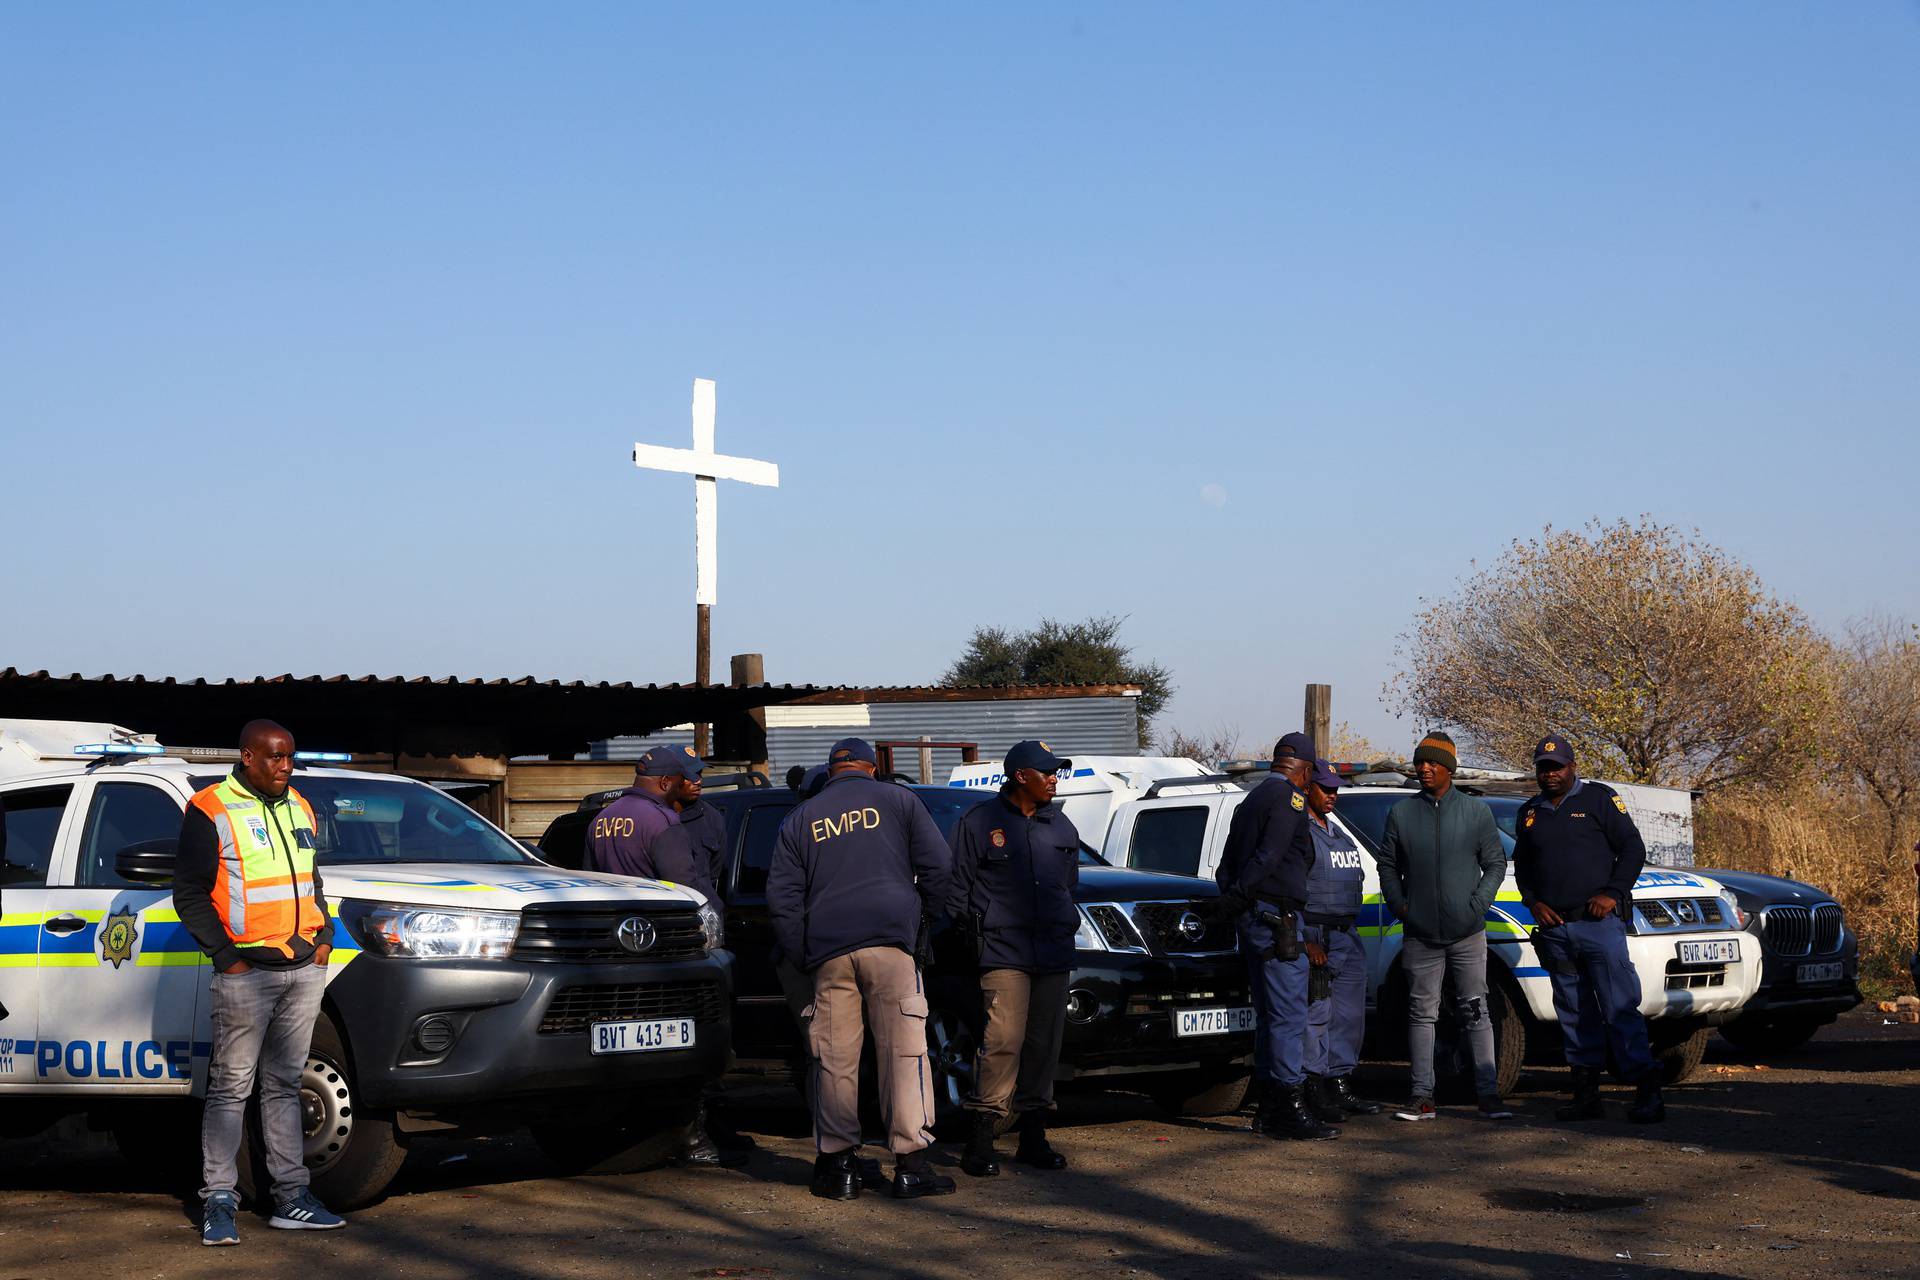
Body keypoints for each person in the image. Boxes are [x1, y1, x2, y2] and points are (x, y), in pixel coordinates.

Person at [173, 720, 344, 1245]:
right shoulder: (210, 807)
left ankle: (291, 1197)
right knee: (230, 1088)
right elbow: (190, 892)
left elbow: (310, 877)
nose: (285, 766)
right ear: (248, 757)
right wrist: (227, 959)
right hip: (246, 972)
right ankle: (218, 1201)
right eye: (274, 757)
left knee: (285, 1085)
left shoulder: (300, 804)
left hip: (302, 966)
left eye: (290, 756)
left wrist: (323, 936)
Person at [767, 737, 955, 1201]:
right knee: (904, 1054)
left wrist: (805, 952)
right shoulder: (900, 800)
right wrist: (923, 924)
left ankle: (838, 1167)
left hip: (829, 953)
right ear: (872, 768)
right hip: (891, 946)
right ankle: (911, 1165)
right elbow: (938, 868)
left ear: (831, 771)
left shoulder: (801, 817)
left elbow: (782, 898)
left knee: (833, 1060)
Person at [584, 744, 736, 1167]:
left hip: (611, 955)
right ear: (667, 782)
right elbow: (688, 891)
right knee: (680, 1043)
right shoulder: (661, 821)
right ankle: (690, 1135)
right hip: (662, 952)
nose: (695, 781)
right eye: (685, 776)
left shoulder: (602, 820)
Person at [1514, 736, 1664, 1123]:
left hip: (1598, 926)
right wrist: (1534, 903)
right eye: (1543, 767)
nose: (1549, 774)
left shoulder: (1599, 799)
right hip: (1556, 931)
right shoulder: (1529, 812)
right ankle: (1585, 1096)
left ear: (1572, 766)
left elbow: (1633, 849)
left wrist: (1613, 893)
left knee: (1619, 1009)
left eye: (1556, 766)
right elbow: (1525, 869)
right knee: (1573, 1012)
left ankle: (1647, 1092)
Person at [947, 740, 1080, 1177]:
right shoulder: (979, 822)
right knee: (1001, 1042)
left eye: (1056, 771)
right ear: (1021, 776)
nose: (1054, 779)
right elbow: (956, 891)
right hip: (1003, 953)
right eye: (1047, 773)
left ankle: (1034, 1136)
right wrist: (974, 938)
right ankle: (981, 1139)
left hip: (1053, 952)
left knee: (1044, 1046)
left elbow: (1068, 885)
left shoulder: (1060, 825)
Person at [1376, 731, 1509, 1122]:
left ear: (1449, 768)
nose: (1424, 768)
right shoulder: (1402, 813)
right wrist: (1401, 906)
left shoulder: (1475, 813)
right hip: (1420, 934)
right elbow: (1387, 864)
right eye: (1420, 762)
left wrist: (1477, 905)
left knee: (1476, 1010)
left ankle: (1488, 1094)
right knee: (1421, 1013)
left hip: (1468, 932)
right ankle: (1421, 1096)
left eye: (1433, 762)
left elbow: (1496, 863)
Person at [1216, 732, 1337, 1140]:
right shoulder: (1290, 799)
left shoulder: (1248, 799)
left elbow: (1227, 862)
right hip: (1278, 918)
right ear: (1302, 769)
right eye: (1309, 773)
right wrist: (1243, 894)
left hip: (1255, 918)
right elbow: (1269, 856)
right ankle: (1288, 1105)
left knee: (1269, 1016)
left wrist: (1234, 899)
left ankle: (1268, 1109)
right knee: (1289, 1015)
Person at [1300, 759, 1382, 1122]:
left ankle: (1339, 1082)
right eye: (1325, 788)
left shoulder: (1337, 832)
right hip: (1316, 934)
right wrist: (1304, 938)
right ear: (1307, 789)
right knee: (1316, 1015)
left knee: (1349, 1016)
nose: (1332, 795)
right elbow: (1288, 892)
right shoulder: (1299, 832)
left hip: (1346, 934)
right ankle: (1312, 1087)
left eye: (1335, 789)